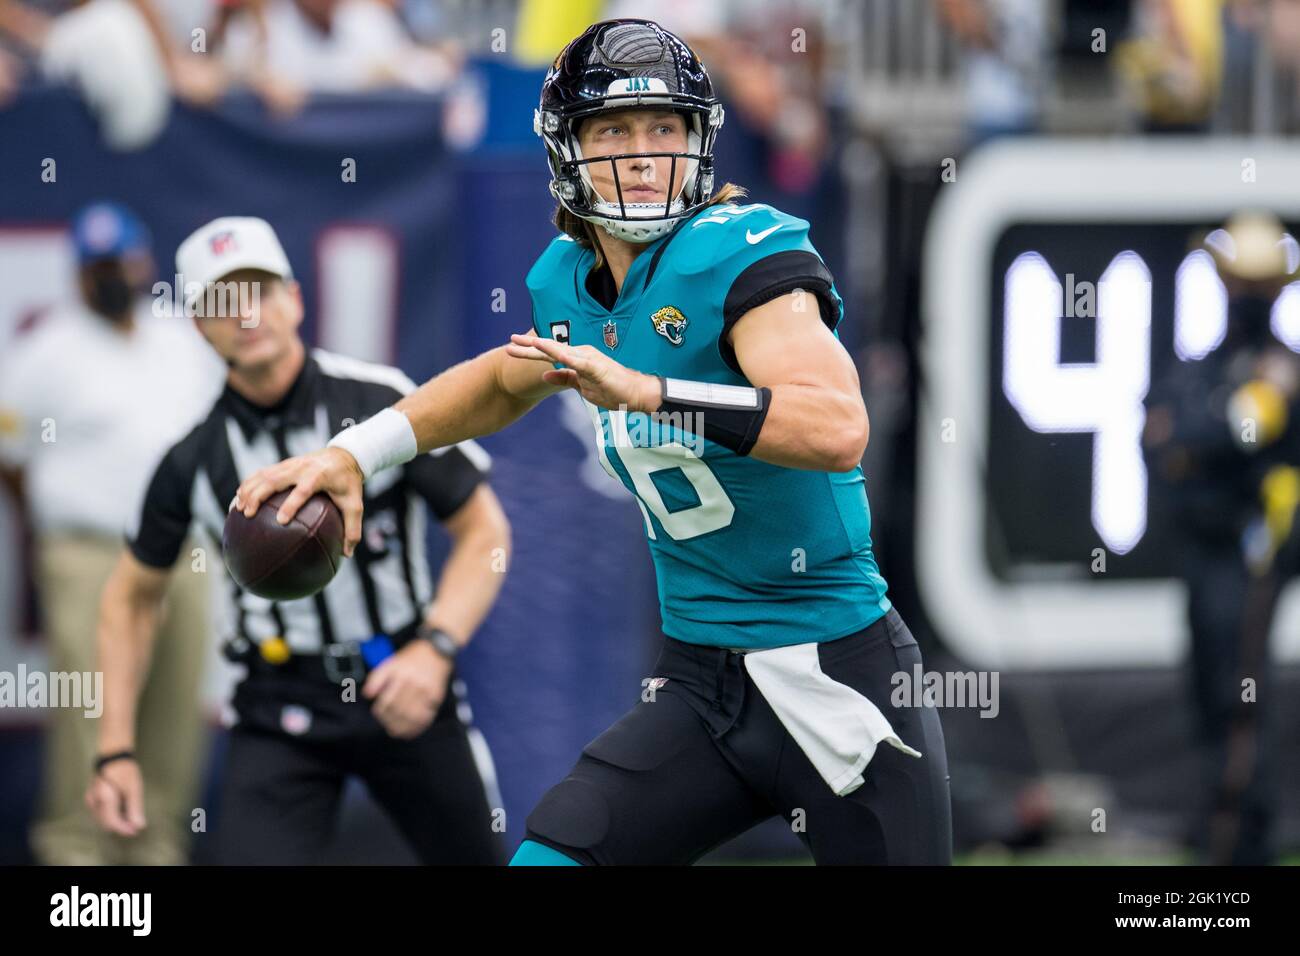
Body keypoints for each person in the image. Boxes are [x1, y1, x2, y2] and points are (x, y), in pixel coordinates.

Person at [233, 19, 953, 865]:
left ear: (699, 143)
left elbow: (837, 428)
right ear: (567, 151)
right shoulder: (564, 282)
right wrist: (355, 453)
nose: (644, 153)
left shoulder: (740, 255)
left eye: (665, 128)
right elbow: (502, 382)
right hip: (702, 687)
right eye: (614, 129)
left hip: (838, 677)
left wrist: (649, 391)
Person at [86, 216, 511, 865]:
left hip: (402, 677)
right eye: (221, 299)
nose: (245, 313)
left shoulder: (381, 405)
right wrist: (114, 748)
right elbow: (129, 600)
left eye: (258, 289)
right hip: (278, 699)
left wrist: (436, 648)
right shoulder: (192, 460)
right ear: (198, 323)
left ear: (295, 298)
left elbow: (485, 531)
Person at [0, 201, 224, 864]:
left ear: (144, 262)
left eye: (121, 261)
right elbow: (11, 458)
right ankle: (76, 855)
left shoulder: (181, 339)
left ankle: (155, 854)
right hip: (90, 552)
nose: (113, 276)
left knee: (175, 708)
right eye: (98, 266)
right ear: (78, 274)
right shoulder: (47, 349)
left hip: (181, 552)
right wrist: (57, 522)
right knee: (91, 713)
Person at [1143, 210, 1300, 865]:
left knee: (1242, 691)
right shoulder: (1201, 368)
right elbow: (1162, 441)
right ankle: (1215, 817)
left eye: (1261, 285)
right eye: (1240, 282)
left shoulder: (1287, 371)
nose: (1249, 297)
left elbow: (1249, 442)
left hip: (1253, 554)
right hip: (1200, 550)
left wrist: (1232, 430)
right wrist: (1231, 418)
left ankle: (1243, 832)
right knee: (1206, 685)